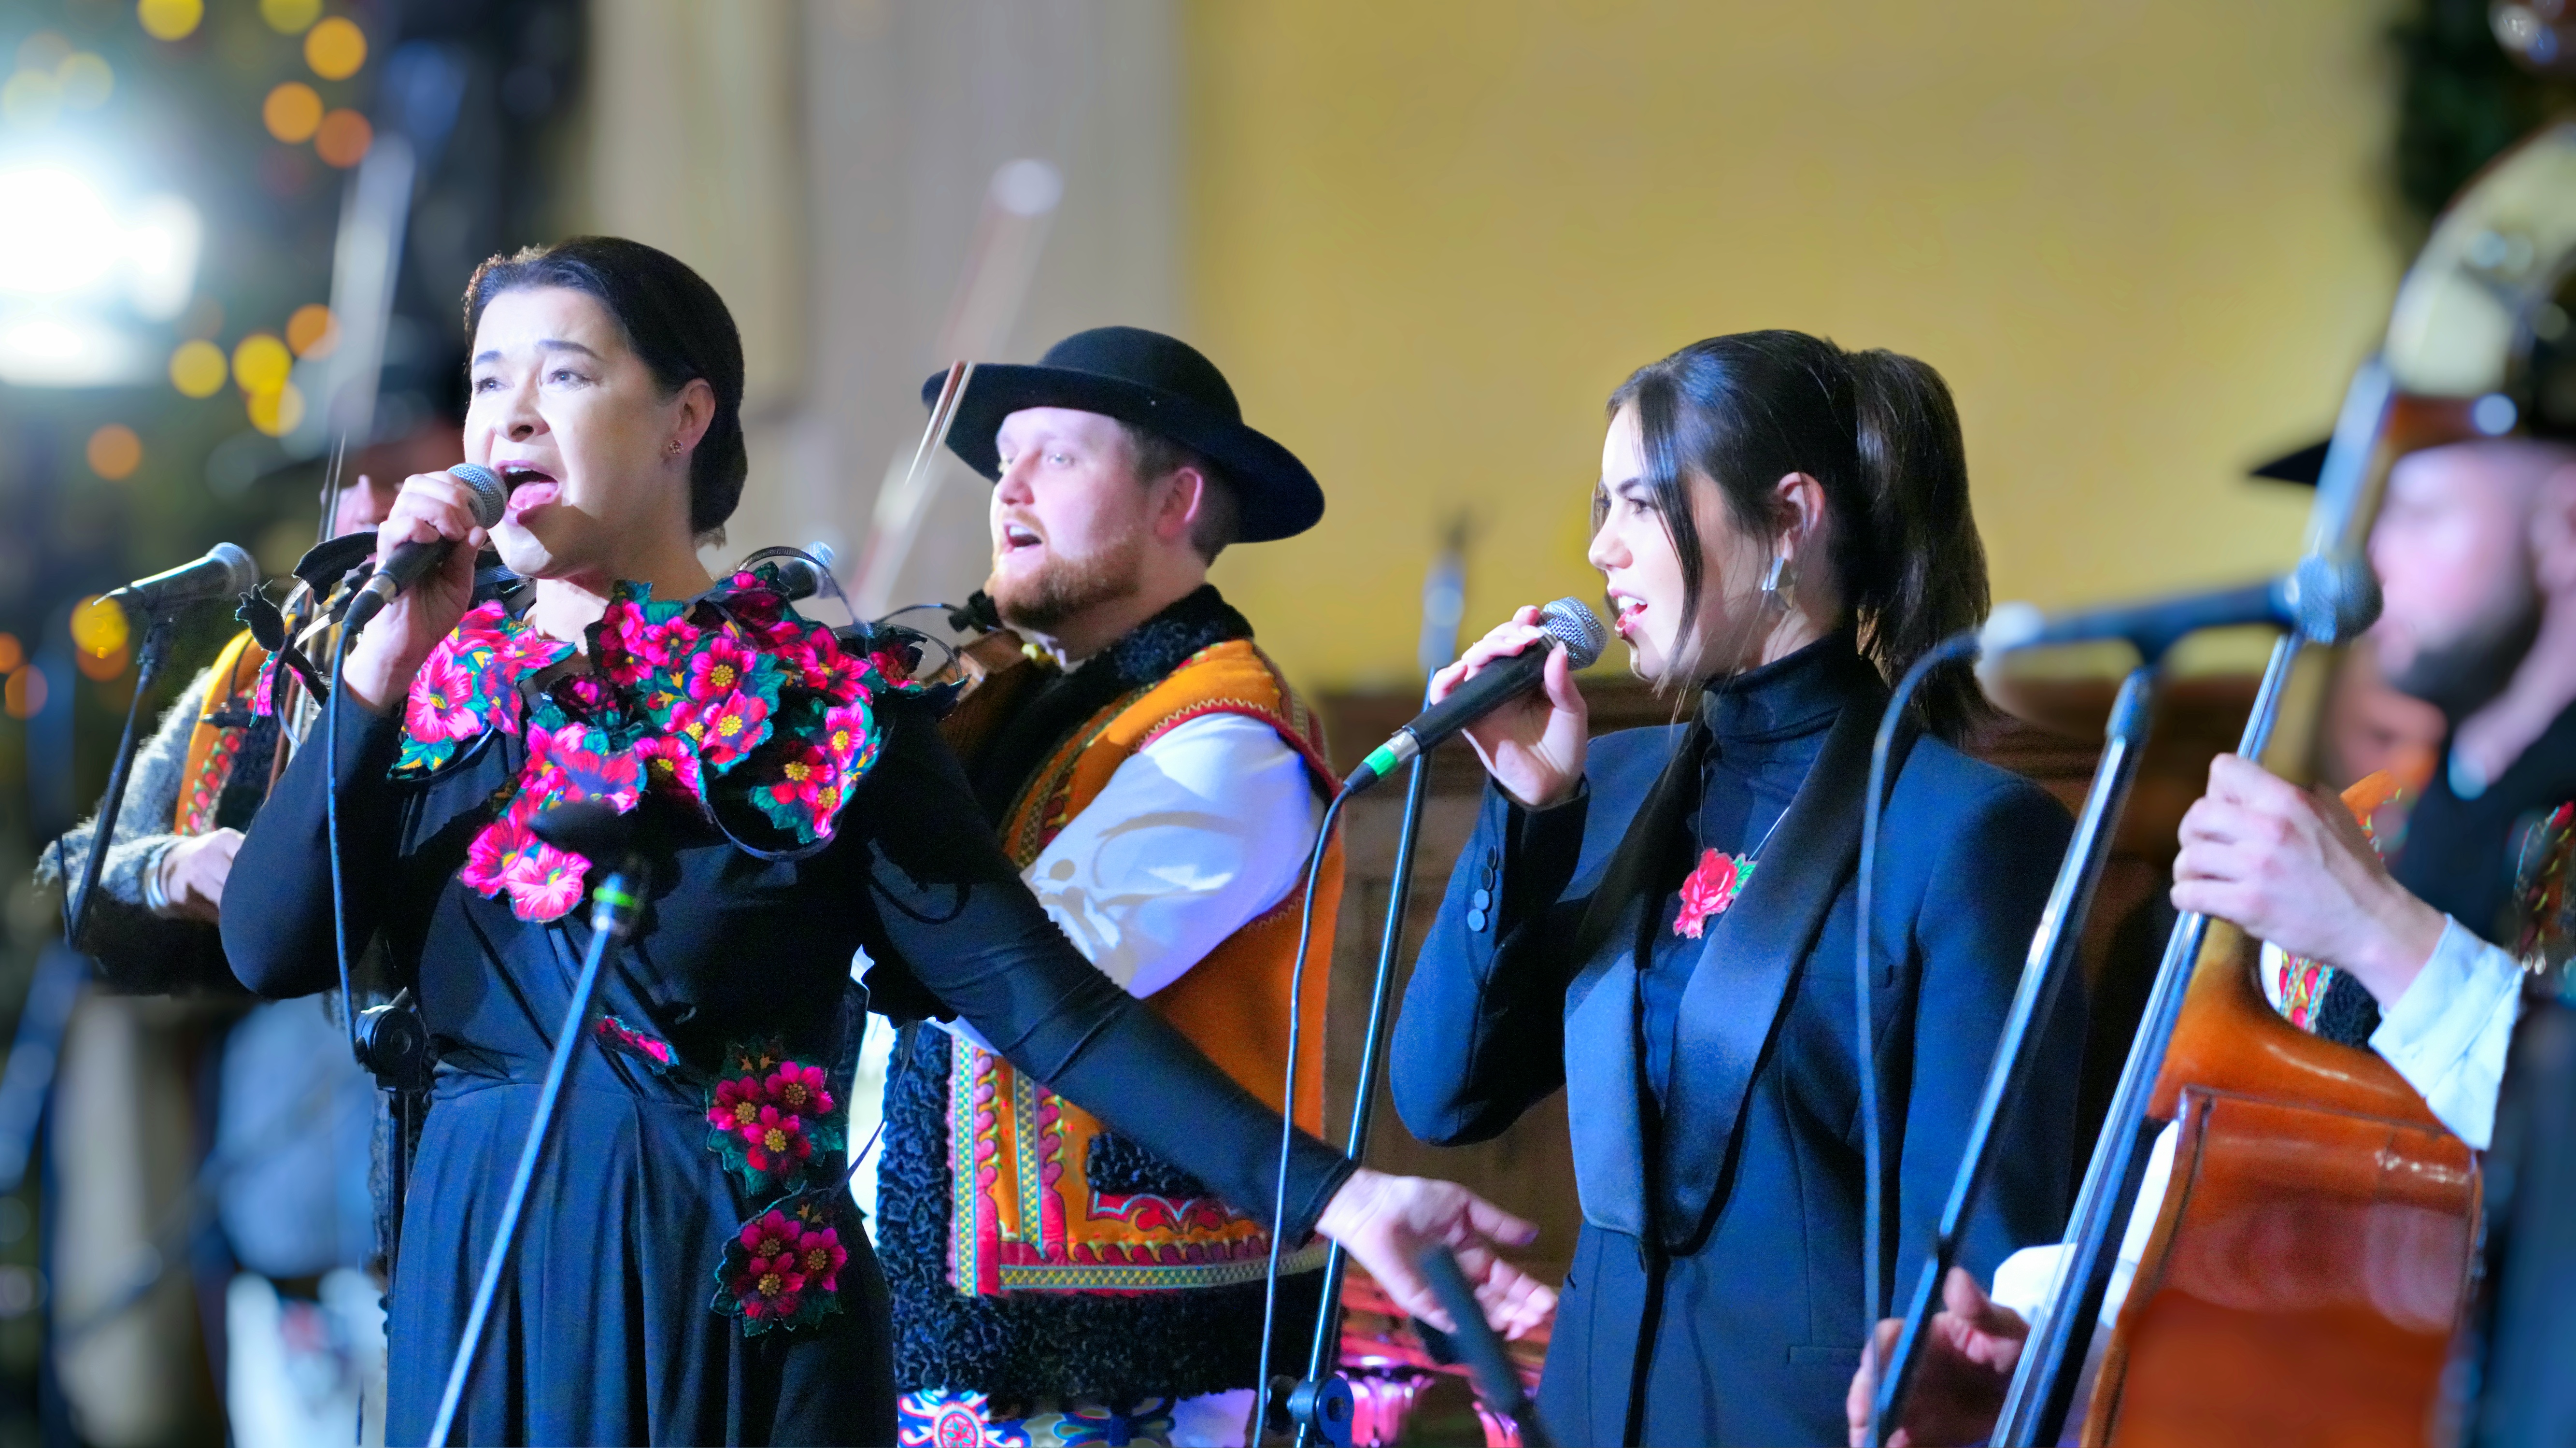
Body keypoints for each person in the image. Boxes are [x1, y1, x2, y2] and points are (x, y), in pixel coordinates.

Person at [217, 236, 1552, 1447]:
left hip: (729, 1290)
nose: (505, 413)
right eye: (488, 380)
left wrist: (1341, 1196)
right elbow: (270, 943)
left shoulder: (821, 701)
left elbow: (1043, 1002)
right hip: (480, 1264)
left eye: (562, 373)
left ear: (687, 417)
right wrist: (379, 668)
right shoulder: (442, 685)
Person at [1390, 331, 2087, 1447]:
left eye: (1638, 502)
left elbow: (1977, 1261)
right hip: (1583, 1411)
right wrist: (1526, 817)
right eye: (1600, 505)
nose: (1600, 547)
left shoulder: (1967, 833)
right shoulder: (1602, 786)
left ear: (1789, 519)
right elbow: (1443, 1095)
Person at [1844, 421, 2576, 1446]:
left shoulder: (2363, 873)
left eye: (2420, 512)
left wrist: (2375, 929)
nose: (2367, 563)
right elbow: (2227, 1187)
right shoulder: (2371, 824)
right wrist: (2045, 1354)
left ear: (2566, 523)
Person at [877, 328, 1346, 1447]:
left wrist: (878, 778)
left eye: (1058, 458)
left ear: (1176, 498)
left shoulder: (1222, 737)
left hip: (1125, 1349)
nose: (1010, 490)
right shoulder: (1039, 705)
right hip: (975, 1323)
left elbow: (1015, 977)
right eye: (1002, 459)